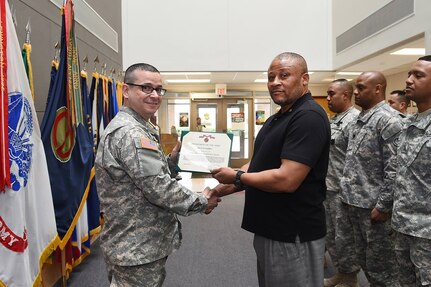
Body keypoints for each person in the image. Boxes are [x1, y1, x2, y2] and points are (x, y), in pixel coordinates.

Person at [211, 52, 331, 287]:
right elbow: (255, 166)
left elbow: (287, 179)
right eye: (271, 77)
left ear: (304, 79)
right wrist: (220, 189)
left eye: (284, 75)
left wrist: (237, 176)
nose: (275, 82)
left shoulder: (308, 117)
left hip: (292, 232)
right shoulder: (277, 118)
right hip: (269, 228)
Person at [95, 63, 220, 287]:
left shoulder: (139, 126)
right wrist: (202, 202)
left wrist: (172, 158)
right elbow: (159, 188)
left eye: (158, 89)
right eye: (146, 88)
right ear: (126, 90)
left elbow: (146, 175)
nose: (154, 95)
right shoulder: (132, 133)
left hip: (134, 243)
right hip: (136, 248)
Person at [339, 71, 402, 286]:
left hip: (373, 208)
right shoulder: (361, 118)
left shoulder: (388, 120)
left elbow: (394, 168)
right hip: (353, 203)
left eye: (361, 87)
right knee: (365, 260)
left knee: (382, 267)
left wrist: (384, 206)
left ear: (378, 88)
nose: (355, 92)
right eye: (355, 87)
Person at [391, 55, 431, 287]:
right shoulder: (408, 124)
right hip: (402, 225)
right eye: (409, 74)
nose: (409, 80)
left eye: (418, 75)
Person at [323, 79, 361, 287]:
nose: (328, 98)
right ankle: (342, 272)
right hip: (328, 187)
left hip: (344, 191)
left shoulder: (354, 121)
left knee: (345, 238)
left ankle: (350, 278)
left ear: (345, 96)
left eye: (332, 94)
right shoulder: (334, 120)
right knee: (331, 236)